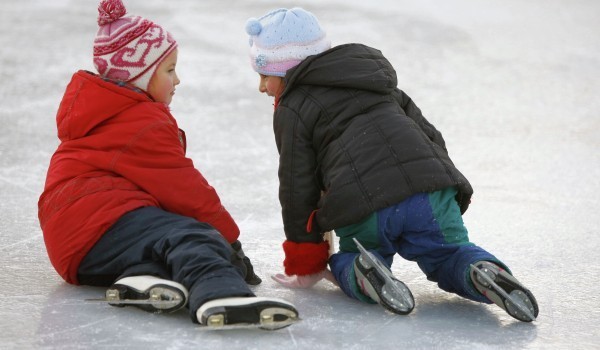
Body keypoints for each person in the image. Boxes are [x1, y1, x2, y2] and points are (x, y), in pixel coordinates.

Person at [244, 7, 539, 322]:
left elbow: (296, 186)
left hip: (363, 205)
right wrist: (452, 191)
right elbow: (430, 137)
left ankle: (363, 272)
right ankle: (481, 271)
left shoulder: (293, 107)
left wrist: (306, 261)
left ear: (289, 72)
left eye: (265, 76)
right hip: (430, 191)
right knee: (449, 255)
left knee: (355, 257)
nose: (262, 87)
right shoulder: (379, 83)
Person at [37, 0, 298, 330]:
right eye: (169, 70)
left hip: (75, 243)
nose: (178, 80)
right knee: (192, 236)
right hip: (99, 222)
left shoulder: (105, 112)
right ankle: (222, 294)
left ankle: (141, 280)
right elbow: (185, 190)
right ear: (139, 76)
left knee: (160, 242)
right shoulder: (141, 120)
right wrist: (229, 242)